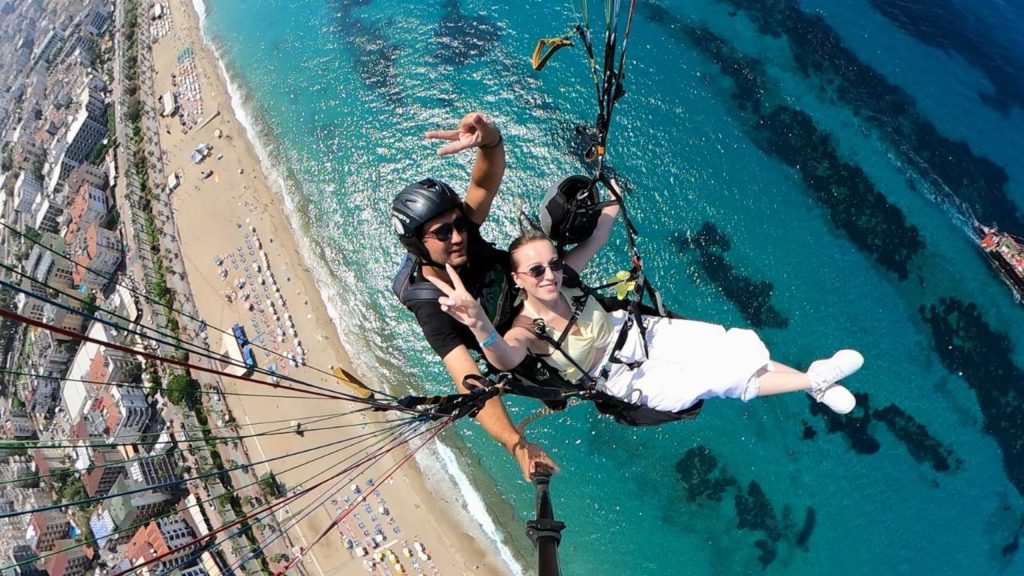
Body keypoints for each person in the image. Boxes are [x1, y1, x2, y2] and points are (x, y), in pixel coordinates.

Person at [427, 201, 864, 416]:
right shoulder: (526, 327)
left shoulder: (568, 279)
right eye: (536, 270)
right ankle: (814, 378)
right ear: (518, 278)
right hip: (624, 378)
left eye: (554, 264)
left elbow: (597, 236)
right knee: (716, 378)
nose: (550, 275)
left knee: (728, 344)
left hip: (639, 331)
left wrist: (609, 192)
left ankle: (812, 385)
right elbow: (504, 357)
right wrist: (478, 321)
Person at [391, 111, 557, 480]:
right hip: (516, 337)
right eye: (443, 232)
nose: (458, 236)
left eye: (458, 225)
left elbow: (484, 184)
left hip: (533, 291)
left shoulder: (460, 236)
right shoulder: (429, 304)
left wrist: (490, 139)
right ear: (418, 245)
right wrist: (517, 444)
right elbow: (469, 381)